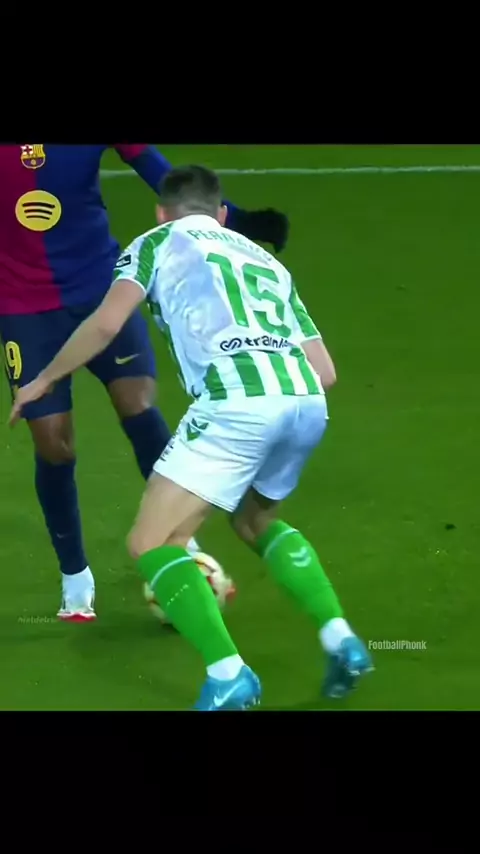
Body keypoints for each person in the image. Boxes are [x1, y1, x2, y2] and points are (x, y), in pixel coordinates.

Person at [10, 165, 373, 710]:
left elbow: (106, 324)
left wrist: (44, 380)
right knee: (254, 521)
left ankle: (229, 674)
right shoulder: (267, 261)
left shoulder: (154, 243)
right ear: (222, 214)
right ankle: (340, 638)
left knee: (152, 543)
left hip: (237, 404)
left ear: (162, 212)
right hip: (305, 402)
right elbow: (326, 371)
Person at [0, 144, 289, 623]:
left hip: (100, 287)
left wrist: (235, 219)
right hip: (24, 308)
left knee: (138, 405)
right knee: (54, 444)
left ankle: (179, 539)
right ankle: (75, 573)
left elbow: (155, 168)